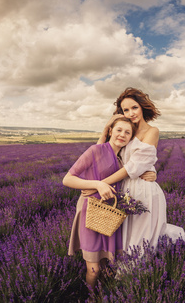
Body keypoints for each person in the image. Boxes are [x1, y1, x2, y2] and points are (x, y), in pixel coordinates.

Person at [97, 87, 185, 251]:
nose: (131, 113)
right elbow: (100, 154)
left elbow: (134, 166)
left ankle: (140, 274)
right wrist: (106, 129)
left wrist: (100, 183)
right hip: (124, 189)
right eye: (126, 110)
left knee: (141, 239)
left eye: (134, 107)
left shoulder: (152, 131)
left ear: (142, 107)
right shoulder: (126, 131)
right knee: (124, 236)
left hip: (143, 191)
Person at [63, 117, 141, 291]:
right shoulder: (96, 150)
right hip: (91, 211)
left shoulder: (123, 157)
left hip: (111, 213)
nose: (122, 135)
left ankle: (104, 292)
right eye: (119, 130)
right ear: (110, 131)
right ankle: (90, 297)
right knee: (94, 268)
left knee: (108, 262)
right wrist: (97, 184)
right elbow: (67, 179)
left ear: (131, 138)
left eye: (127, 132)